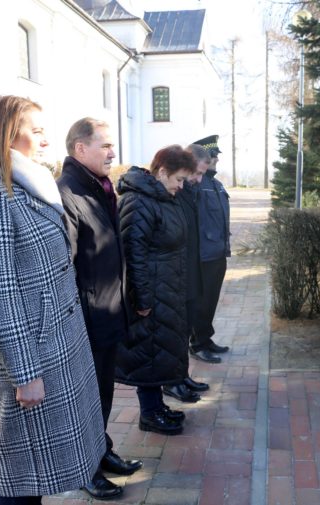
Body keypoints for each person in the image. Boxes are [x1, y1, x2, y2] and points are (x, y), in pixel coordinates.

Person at [0, 96, 106, 504]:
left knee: (39, 471)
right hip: (33, 355)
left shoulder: (31, 186)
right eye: (36, 131)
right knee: (23, 472)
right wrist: (25, 373)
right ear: (7, 133)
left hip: (58, 345)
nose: (46, 140)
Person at [57, 118, 143, 492]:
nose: (112, 153)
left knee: (102, 393)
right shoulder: (68, 193)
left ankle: (101, 450)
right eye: (105, 145)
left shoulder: (100, 188)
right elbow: (65, 267)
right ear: (80, 148)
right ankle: (85, 469)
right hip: (86, 320)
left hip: (107, 313)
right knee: (85, 400)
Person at [115, 145, 195, 435]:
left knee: (160, 351)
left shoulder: (163, 197)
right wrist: (143, 299)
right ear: (162, 172)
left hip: (167, 288)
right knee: (148, 352)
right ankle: (149, 414)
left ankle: (157, 406)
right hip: (150, 293)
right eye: (179, 179)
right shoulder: (138, 202)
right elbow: (133, 254)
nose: (181, 186)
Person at [161, 144, 213, 401]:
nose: (198, 180)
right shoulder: (173, 193)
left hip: (190, 275)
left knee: (184, 331)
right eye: (197, 173)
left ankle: (181, 376)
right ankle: (172, 381)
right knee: (174, 334)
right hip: (177, 278)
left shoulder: (188, 191)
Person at [190, 135, 231, 362]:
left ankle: (206, 339)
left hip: (218, 252)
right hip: (203, 255)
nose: (216, 159)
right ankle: (197, 344)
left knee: (211, 300)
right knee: (201, 303)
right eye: (212, 156)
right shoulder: (196, 184)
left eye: (215, 156)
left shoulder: (216, 185)